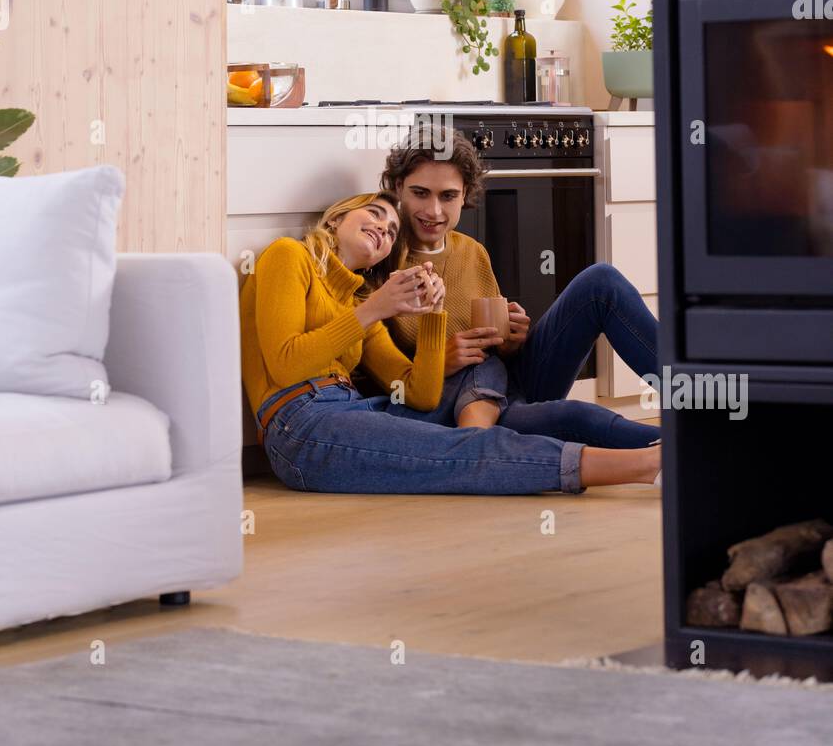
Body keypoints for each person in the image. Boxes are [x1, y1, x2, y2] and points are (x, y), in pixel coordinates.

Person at [239, 190, 661, 494]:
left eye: (391, 231)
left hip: (354, 408)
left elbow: (419, 395)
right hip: (298, 424)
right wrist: (375, 309)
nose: (383, 229)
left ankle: (677, 448)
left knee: (499, 382)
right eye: (374, 214)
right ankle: (648, 464)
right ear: (336, 220)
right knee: (461, 452)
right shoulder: (289, 255)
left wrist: (432, 315)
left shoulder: (361, 302)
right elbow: (286, 366)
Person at [379, 132, 662, 452]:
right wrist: (439, 363)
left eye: (448, 196)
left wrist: (512, 341)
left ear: (464, 195)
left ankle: (695, 400)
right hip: (454, 410)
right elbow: (383, 383)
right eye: (420, 193)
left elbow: (497, 352)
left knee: (601, 282)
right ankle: (691, 449)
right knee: (580, 417)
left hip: (506, 383)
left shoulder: (472, 252)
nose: (434, 211)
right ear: (398, 187)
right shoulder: (380, 259)